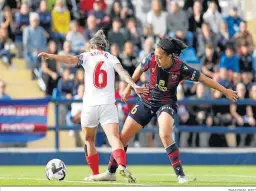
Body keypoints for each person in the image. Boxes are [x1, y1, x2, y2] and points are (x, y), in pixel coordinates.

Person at [89, 37, 238, 184]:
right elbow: (139, 69)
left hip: (166, 103)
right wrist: (129, 87)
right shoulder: (152, 59)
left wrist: (225, 91)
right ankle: (110, 173)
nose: (157, 59)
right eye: (155, 55)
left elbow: (205, 79)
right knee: (122, 138)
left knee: (165, 134)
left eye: (160, 57)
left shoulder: (181, 68)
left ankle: (180, 175)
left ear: (169, 56)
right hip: (146, 101)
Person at [38, 29, 148, 183]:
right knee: (114, 137)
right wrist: (134, 86)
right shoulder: (111, 57)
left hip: (90, 105)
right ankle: (122, 165)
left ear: (92, 46)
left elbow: (70, 60)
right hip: (108, 104)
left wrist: (51, 56)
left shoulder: (86, 56)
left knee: (89, 139)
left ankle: (95, 173)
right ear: (104, 47)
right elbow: (122, 72)